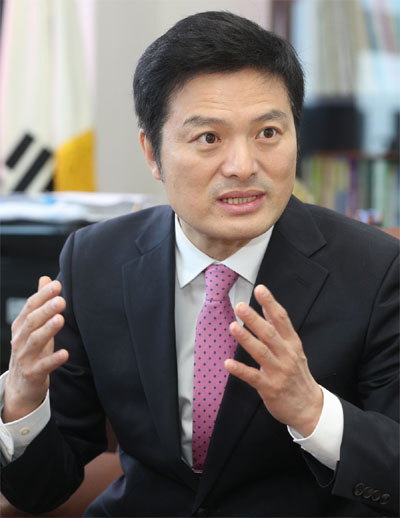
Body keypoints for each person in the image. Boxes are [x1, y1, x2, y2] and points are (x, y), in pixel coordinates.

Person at [1, 11, 398, 518]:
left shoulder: (375, 269)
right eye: (209, 138)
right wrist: (23, 403)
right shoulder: (94, 261)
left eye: (268, 132)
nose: (243, 166)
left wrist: (313, 412)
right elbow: (41, 492)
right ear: (152, 152)